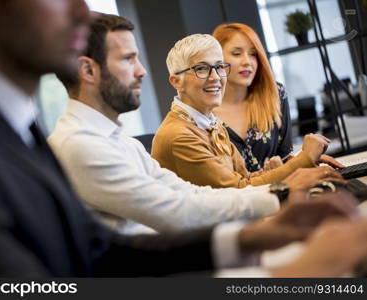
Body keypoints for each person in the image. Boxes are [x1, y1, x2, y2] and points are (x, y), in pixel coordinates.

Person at [0, 2, 365, 278]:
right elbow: (175, 212)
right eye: (129, 59)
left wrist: (253, 235)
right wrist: (279, 277)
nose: (79, 10)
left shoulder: (24, 128)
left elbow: (103, 251)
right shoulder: (60, 142)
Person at [48, 14, 343, 235]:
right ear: (87, 69)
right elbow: (177, 213)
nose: (142, 72)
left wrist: (282, 184)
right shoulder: (80, 145)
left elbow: (188, 193)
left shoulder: (122, 142)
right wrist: (282, 190)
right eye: (128, 60)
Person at [151, 34, 339, 189]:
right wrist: (304, 159)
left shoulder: (209, 122)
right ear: (176, 81)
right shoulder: (179, 136)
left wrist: (289, 166)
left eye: (219, 67)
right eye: (201, 69)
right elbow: (238, 190)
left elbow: (245, 177)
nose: (215, 77)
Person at [212, 23, 343, 172]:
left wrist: (307, 159)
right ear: (216, 60)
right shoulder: (203, 114)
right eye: (237, 54)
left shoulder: (274, 94)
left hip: (282, 190)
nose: (247, 61)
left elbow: (284, 158)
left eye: (253, 54)